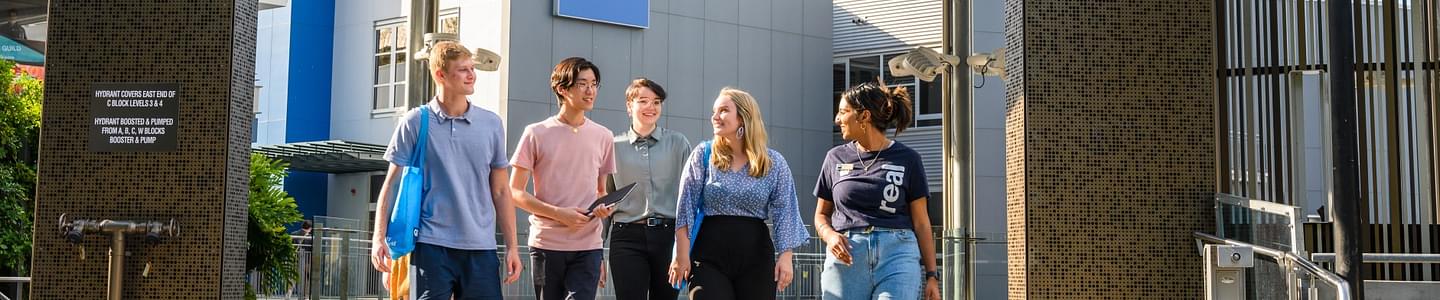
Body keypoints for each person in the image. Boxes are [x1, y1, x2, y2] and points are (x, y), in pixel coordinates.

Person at [368, 41, 522, 300]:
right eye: (462, 69)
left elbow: (501, 191)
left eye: (472, 68)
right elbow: (391, 184)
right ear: (440, 74)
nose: (471, 75)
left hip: (481, 247)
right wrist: (378, 238)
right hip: (430, 245)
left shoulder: (492, 124)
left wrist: (512, 247)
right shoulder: (416, 121)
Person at [667, 87, 809, 300]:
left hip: (756, 258)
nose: (715, 117)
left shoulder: (773, 163)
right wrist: (681, 255)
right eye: (714, 111)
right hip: (708, 256)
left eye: (723, 110)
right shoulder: (703, 155)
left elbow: (785, 211)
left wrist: (786, 257)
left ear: (743, 118)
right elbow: (685, 206)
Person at [814, 82, 939, 300]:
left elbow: (921, 222)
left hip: (897, 255)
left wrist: (931, 275)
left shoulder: (908, 159)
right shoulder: (834, 157)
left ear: (864, 116)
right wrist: (830, 236)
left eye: (843, 112)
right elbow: (821, 215)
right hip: (847, 257)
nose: (837, 119)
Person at [510, 57, 618, 300]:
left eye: (594, 84)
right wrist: (559, 213)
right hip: (546, 244)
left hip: (588, 245)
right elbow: (515, 192)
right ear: (562, 88)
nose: (591, 91)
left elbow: (602, 191)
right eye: (582, 84)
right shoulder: (535, 133)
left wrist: (605, 207)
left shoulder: (604, 136)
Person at [605, 78, 691, 300]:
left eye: (656, 101)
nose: (650, 107)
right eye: (643, 101)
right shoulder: (613, 146)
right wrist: (595, 250)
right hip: (626, 236)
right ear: (629, 106)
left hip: (668, 236)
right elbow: (604, 199)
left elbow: (689, 198)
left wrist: (685, 247)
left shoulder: (678, 144)